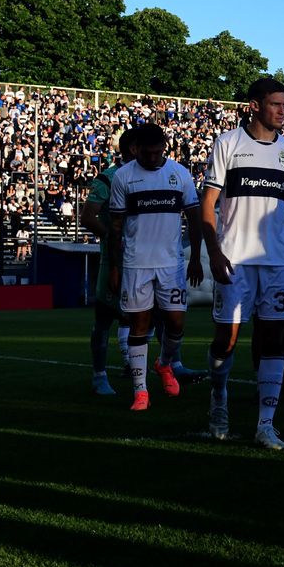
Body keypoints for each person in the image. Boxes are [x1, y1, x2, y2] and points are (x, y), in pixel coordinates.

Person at [201, 78, 284, 451]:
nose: (282, 111)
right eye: (276, 104)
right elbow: (209, 203)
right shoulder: (228, 143)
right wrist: (215, 251)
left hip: (279, 262)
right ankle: (218, 400)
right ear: (254, 106)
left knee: (272, 343)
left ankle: (265, 425)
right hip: (236, 259)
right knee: (226, 340)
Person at [107, 124, 204, 411]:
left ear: (164, 147)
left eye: (156, 152)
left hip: (171, 264)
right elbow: (115, 226)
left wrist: (196, 256)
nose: (151, 158)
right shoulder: (124, 177)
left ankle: (164, 364)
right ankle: (141, 392)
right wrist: (114, 267)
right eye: (146, 153)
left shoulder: (179, 174)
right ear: (135, 148)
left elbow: (195, 217)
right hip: (136, 264)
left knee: (176, 322)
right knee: (139, 325)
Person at [81, 128, 137, 395]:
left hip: (144, 258)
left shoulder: (152, 176)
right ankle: (99, 375)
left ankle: (162, 367)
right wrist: (112, 239)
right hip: (113, 259)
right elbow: (87, 217)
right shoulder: (108, 177)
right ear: (132, 150)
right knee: (105, 318)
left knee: (152, 317)